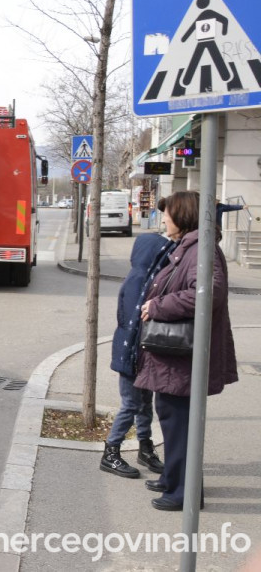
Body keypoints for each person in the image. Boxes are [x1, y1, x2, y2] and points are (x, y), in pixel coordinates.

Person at [135, 191, 238, 511]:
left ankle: (184, 492)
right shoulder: (191, 246)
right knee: (171, 417)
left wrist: (157, 306)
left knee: (179, 422)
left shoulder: (201, 249)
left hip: (184, 356)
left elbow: (208, 293)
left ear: (183, 216)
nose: (163, 219)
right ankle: (174, 478)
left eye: (167, 214)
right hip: (178, 357)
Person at [100, 231, 172, 479]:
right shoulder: (140, 279)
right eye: (164, 253)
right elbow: (133, 322)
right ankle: (111, 452)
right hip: (132, 354)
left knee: (144, 404)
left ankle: (145, 448)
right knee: (131, 404)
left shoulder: (146, 276)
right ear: (153, 255)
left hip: (140, 353)